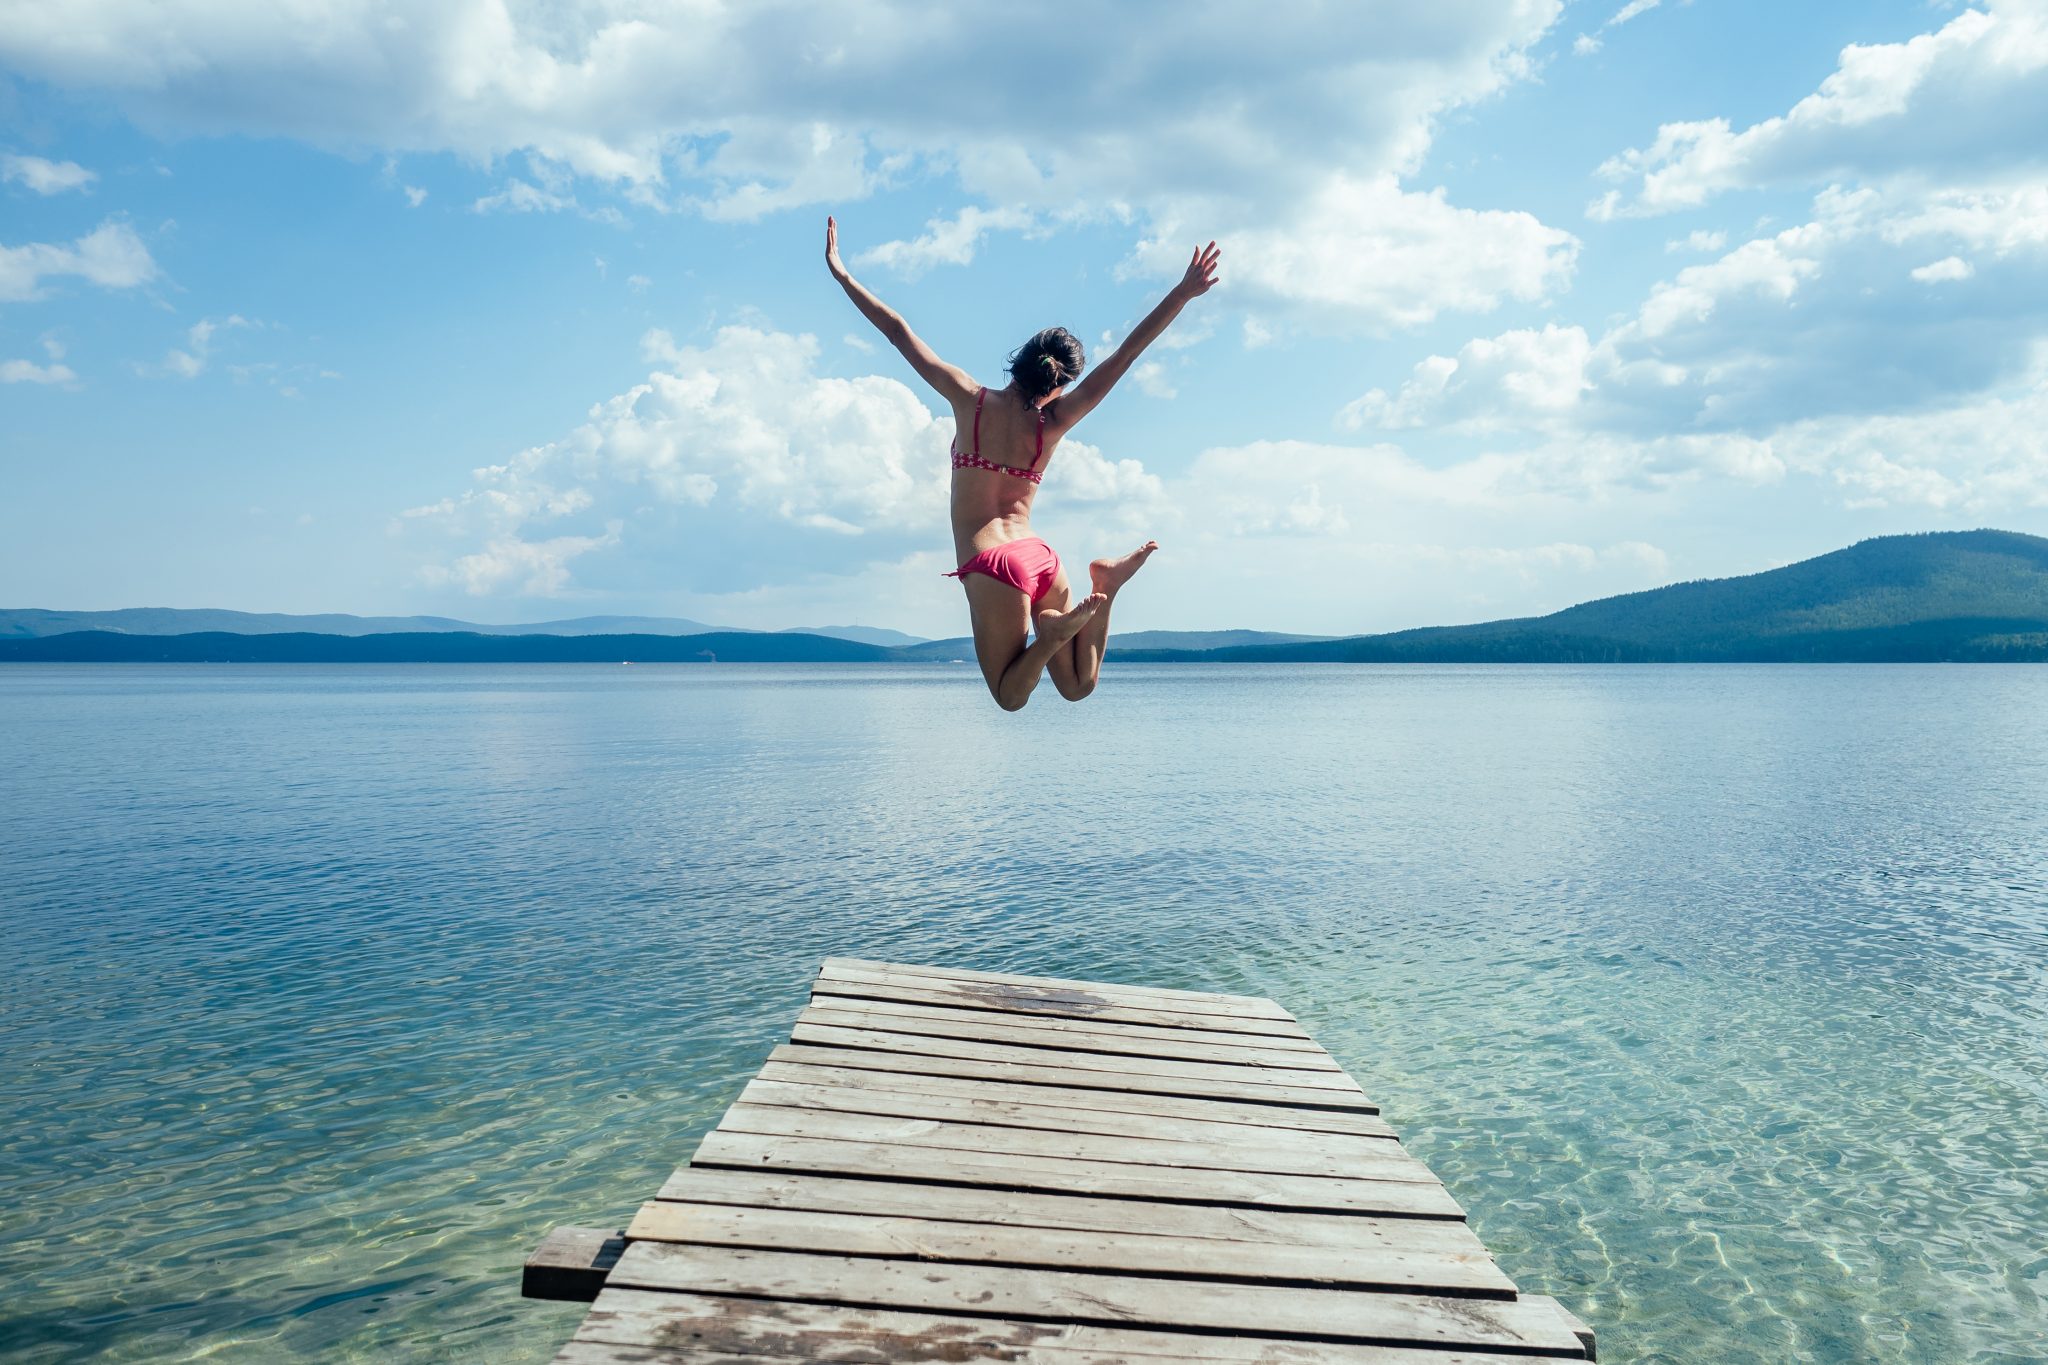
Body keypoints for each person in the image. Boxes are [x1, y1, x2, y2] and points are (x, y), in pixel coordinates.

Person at [826, 216, 1219, 710]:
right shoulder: (1055, 421)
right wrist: (1182, 294)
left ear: (1020, 359)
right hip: (1039, 557)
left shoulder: (968, 400)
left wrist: (842, 275)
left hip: (995, 561)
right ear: (1059, 383)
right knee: (1079, 687)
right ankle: (1107, 586)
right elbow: (1127, 354)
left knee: (1010, 696)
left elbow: (897, 331)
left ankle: (1052, 635)